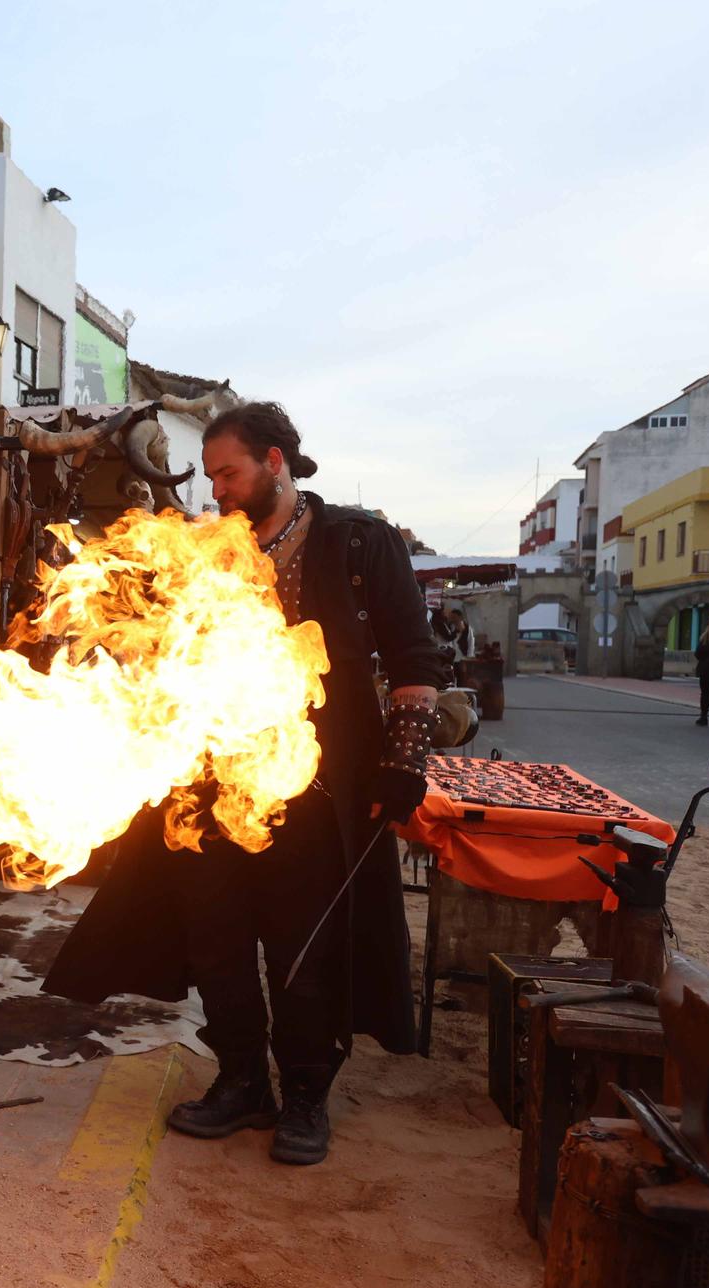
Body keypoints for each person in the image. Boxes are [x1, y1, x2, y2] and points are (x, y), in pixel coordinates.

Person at [42, 401, 443, 1166]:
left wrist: (402, 763)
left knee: (302, 952)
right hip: (207, 789)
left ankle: (303, 1096)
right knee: (216, 941)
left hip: (315, 797)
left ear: (277, 461)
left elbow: (417, 665)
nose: (216, 488)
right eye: (214, 475)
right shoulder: (201, 550)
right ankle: (239, 1080)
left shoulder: (359, 543)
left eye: (229, 472)